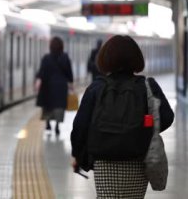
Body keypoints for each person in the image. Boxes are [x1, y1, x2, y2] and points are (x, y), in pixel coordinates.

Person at [71, 35, 174, 198]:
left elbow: (80, 127)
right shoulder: (148, 86)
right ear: (136, 59)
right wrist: (144, 130)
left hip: (105, 163)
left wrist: (79, 157)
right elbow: (167, 117)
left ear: (105, 59)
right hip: (138, 160)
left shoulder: (96, 88)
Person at [35, 36, 73, 135]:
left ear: (50, 46)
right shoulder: (65, 57)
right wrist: (71, 83)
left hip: (47, 86)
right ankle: (57, 126)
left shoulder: (46, 58)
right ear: (62, 46)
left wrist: (38, 81)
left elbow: (41, 72)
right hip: (61, 86)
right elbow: (69, 72)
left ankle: (48, 123)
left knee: (48, 106)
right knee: (59, 107)